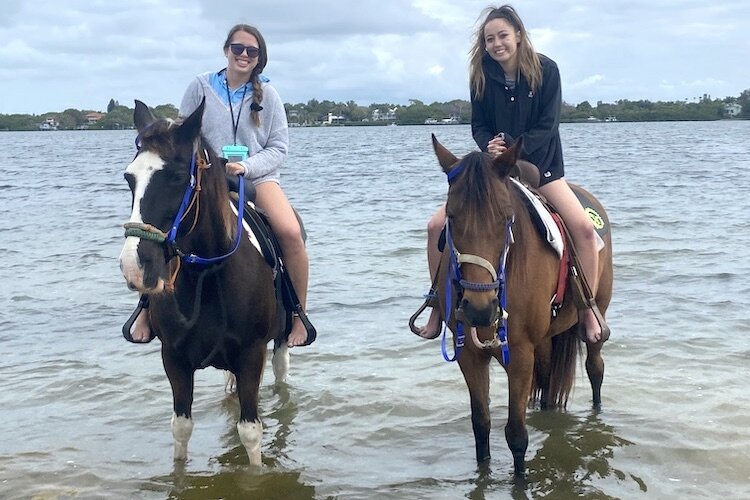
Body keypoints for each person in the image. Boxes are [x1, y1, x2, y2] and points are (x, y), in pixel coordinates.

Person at [414, 5, 608, 344]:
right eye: (490, 39)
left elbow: (548, 126)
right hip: (495, 170)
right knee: (434, 226)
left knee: (584, 231)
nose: (496, 43)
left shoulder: (547, 70)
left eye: (502, 35)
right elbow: (479, 124)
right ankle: (436, 304)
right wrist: (489, 145)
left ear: (518, 35)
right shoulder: (481, 75)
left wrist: (515, 149)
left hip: (540, 166)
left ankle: (588, 309)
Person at [128, 24, 312, 347]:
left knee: (291, 233)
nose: (243, 55)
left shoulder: (269, 95)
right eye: (237, 48)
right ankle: (145, 306)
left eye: (251, 51)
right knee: (167, 228)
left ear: (259, 59)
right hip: (205, 177)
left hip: (257, 179)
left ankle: (298, 314)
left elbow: (279, 148)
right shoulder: (199, 87)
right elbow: (182, 138)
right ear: (226, 50)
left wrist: (247, 166)